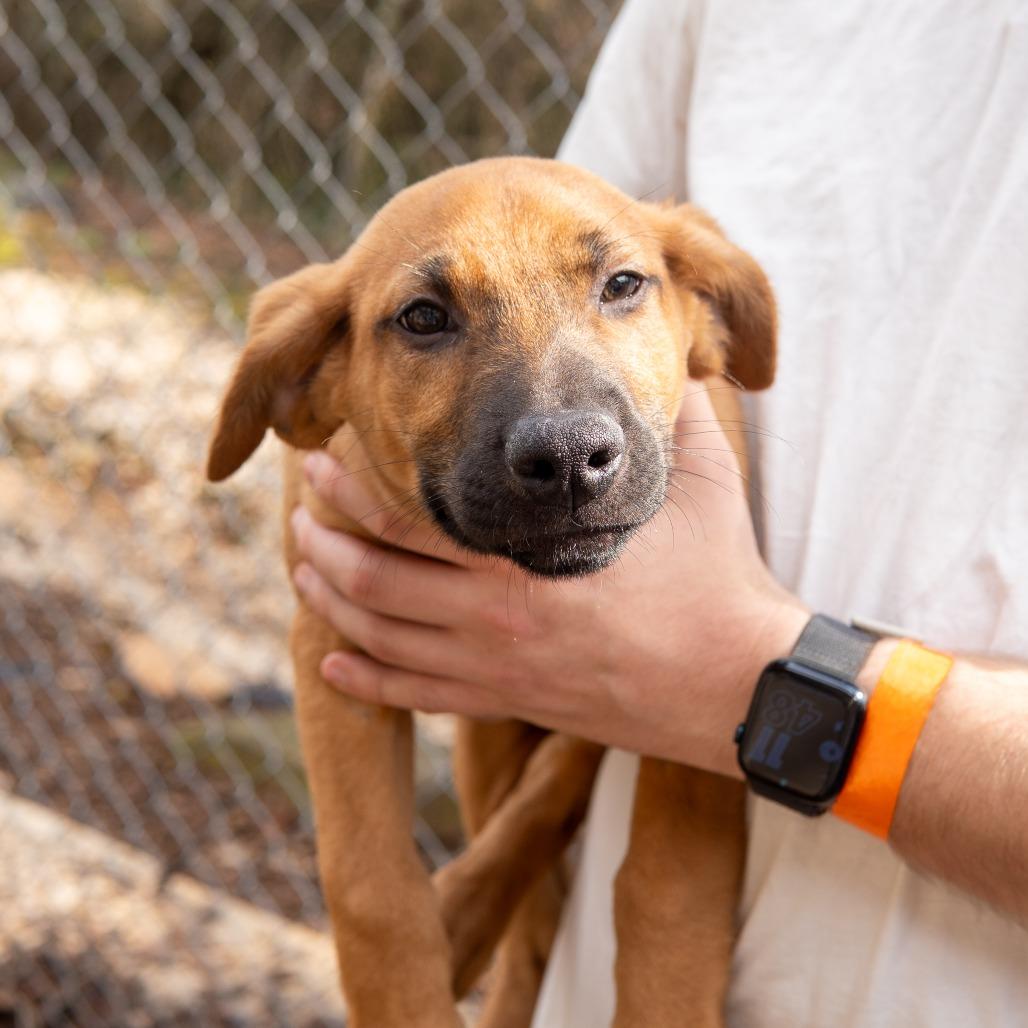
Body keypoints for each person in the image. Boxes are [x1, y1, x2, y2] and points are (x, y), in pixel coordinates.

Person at [289, 1, 1028, 1024]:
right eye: (426, 320)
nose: (557, 435)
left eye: (621, 287)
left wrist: (744, 679)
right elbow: (519, 226)